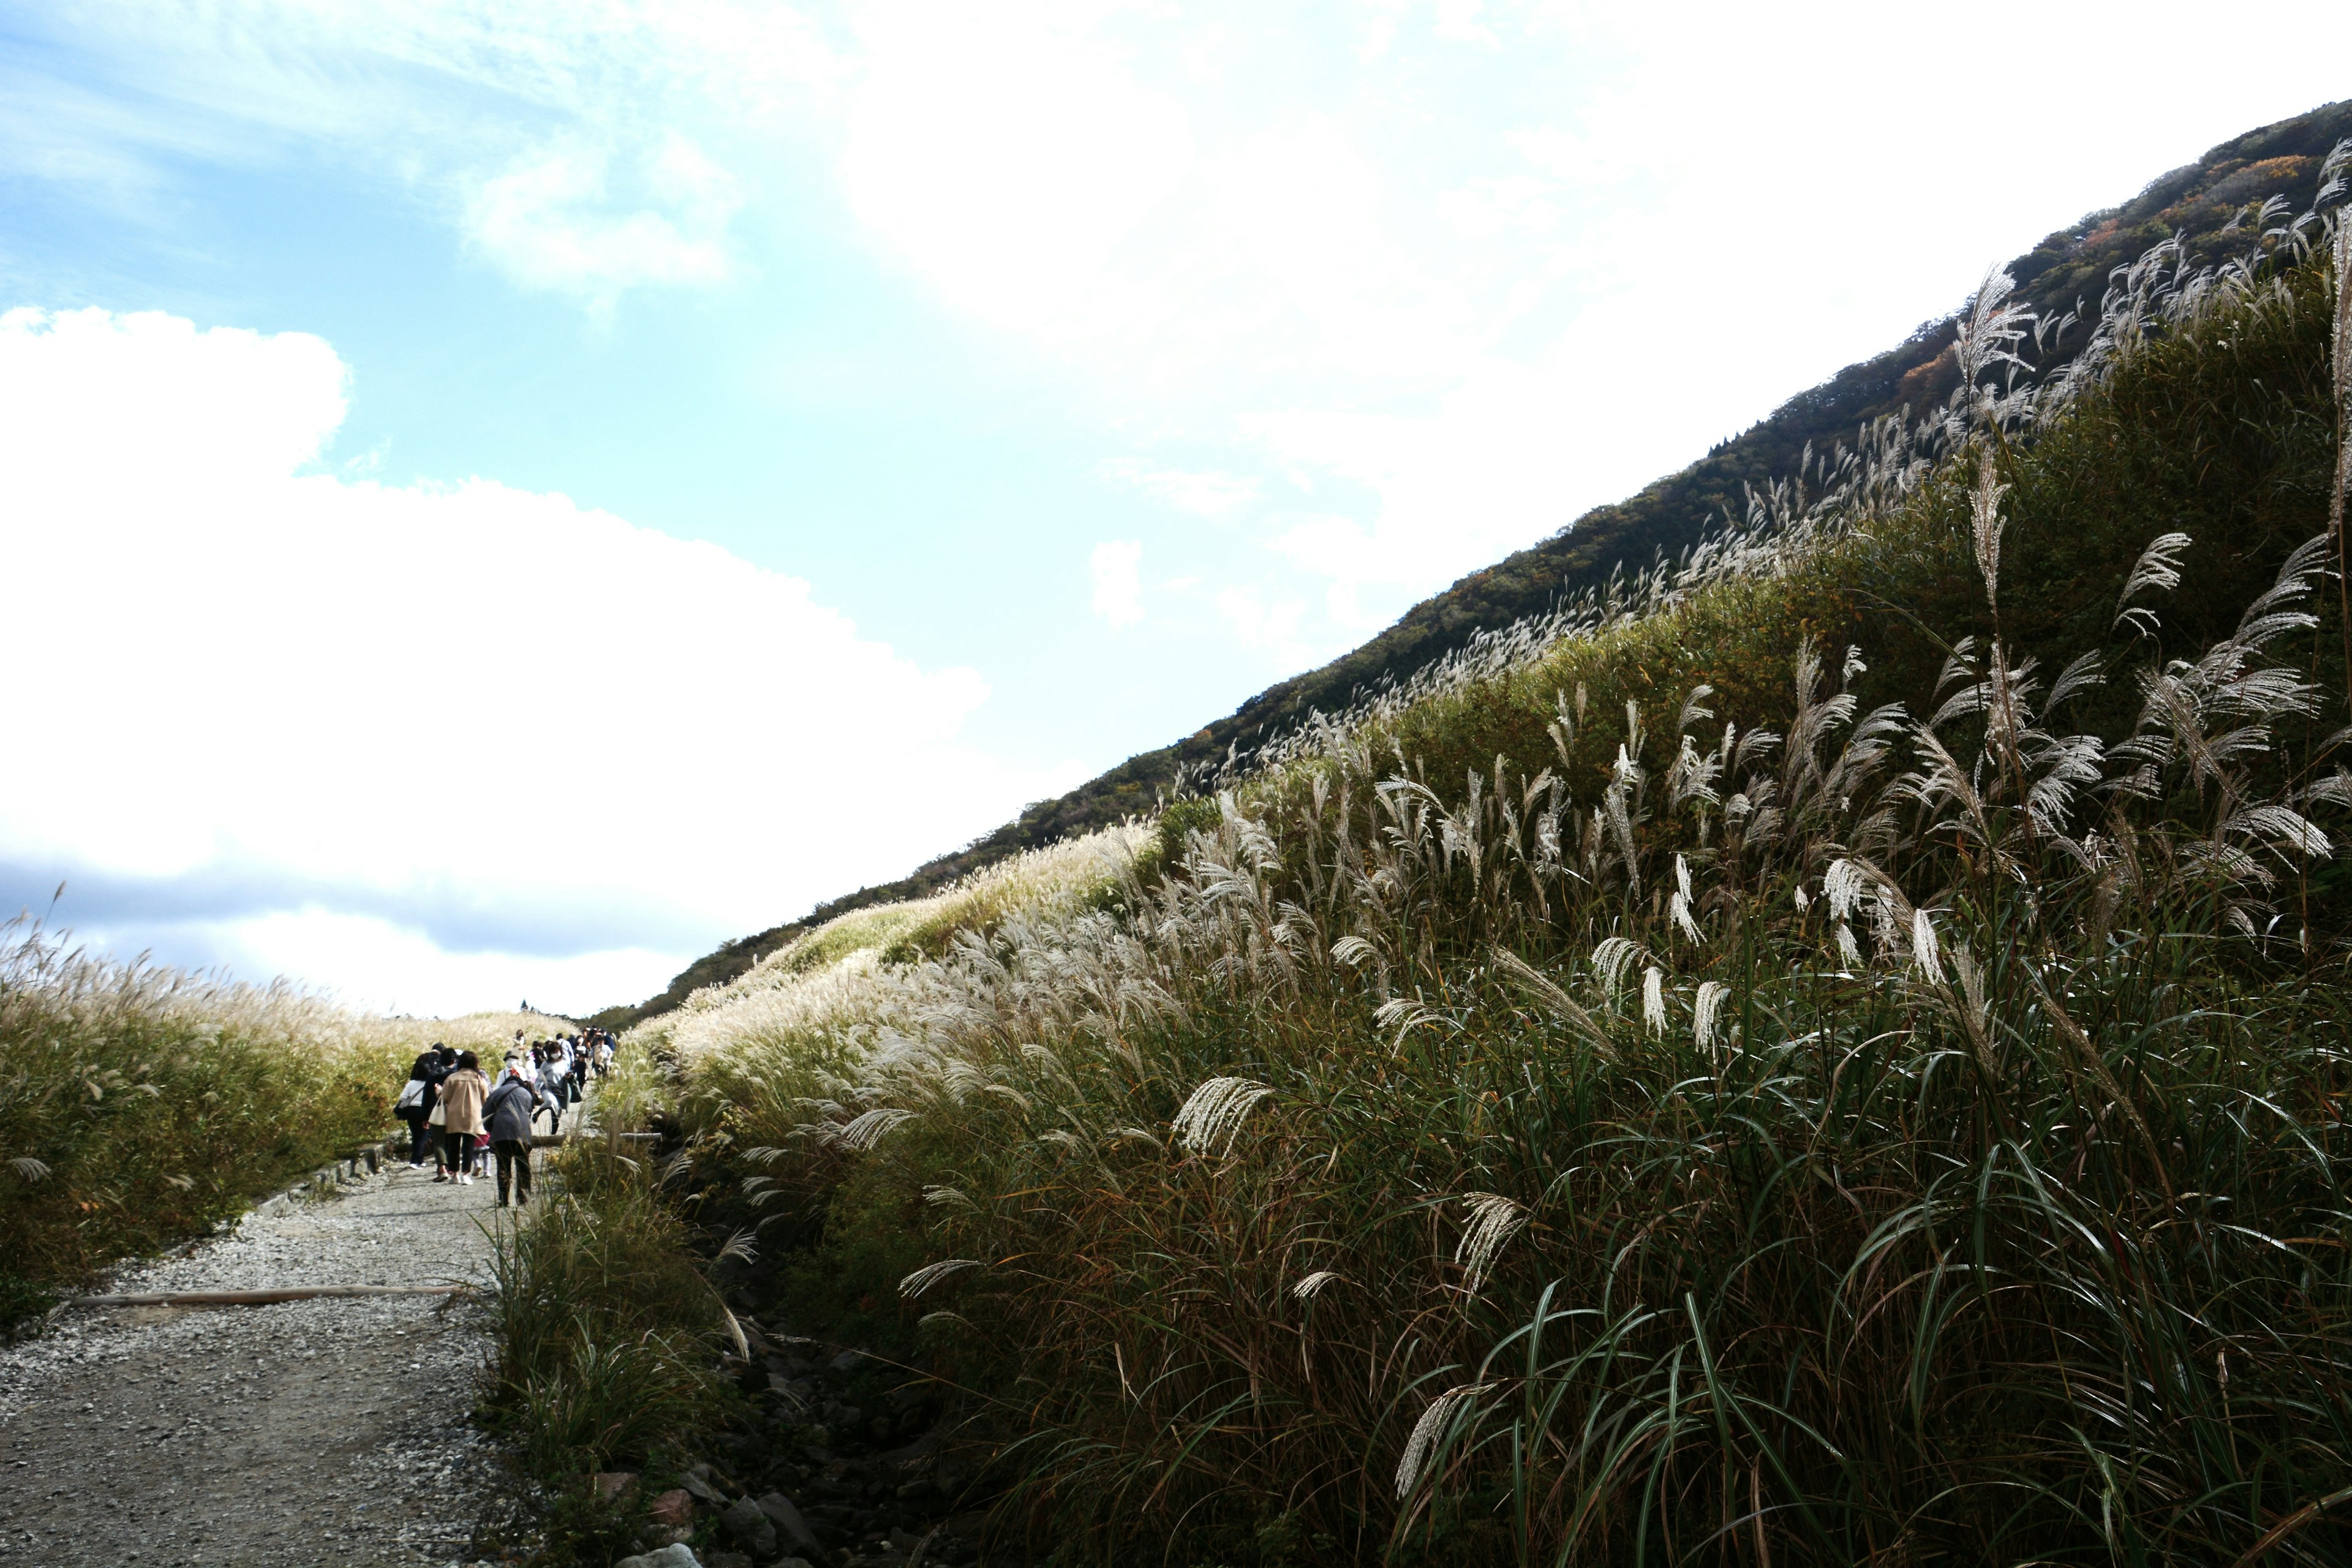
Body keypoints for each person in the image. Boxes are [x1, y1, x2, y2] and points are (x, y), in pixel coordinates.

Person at [484, 1057, 541, 1207]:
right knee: (523, 1167)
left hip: (501, 1134)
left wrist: (491, 1129)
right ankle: (523, 1199)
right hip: (522, 1134)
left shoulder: (496, 1093)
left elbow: (485, 1113)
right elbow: (529, 1113)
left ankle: (504, 1200)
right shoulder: (525, 1093)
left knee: (503, 1166)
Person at [435, 1050, 489, 1185]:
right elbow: (486, 1099)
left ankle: (455, 1175)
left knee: (454, 1146)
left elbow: (445, 1098)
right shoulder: (479, 1079)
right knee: (468, 1146)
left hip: (454, 1115)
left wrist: (438, 1092)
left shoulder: (452, 1078)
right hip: (473, 1116)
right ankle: (466, 1174)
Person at [394, 1046, 442, 1166]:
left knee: (416, 1136)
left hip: (412, 1111)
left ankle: (418, 1160)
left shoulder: (411, 1083)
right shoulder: (432, 1084)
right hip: (425, 1111)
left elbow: (403, 1098)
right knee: (423, 1137)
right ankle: (416, 1161)